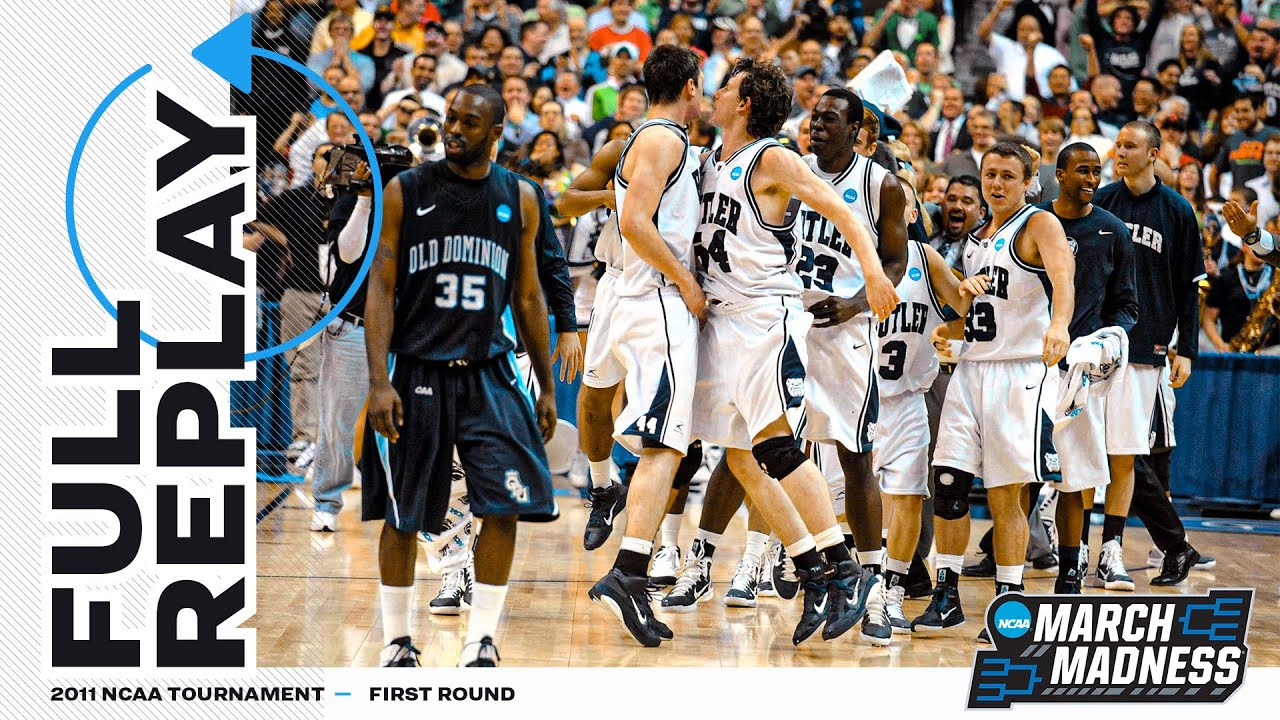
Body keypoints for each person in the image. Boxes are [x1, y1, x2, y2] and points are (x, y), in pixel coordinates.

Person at [692, 59, 898, 646]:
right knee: (738, 457)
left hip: (766, 319)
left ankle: (849, 569)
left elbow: (842, 212)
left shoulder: (774, 158)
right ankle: (813, 570)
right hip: (723, 323)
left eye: (725, 87)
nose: (716, 93)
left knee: (779, 449)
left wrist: (874, 285)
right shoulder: (712, 160)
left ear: (746, 103)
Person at [360, 84, 559, 667]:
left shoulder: (520, 198)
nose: (453, 130)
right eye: (450, 119)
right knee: (401, 514)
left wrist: (546, 384)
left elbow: (527, 295)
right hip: (417, 368)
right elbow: (380, 287)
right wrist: (379, 379)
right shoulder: (407, 190)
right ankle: (397, 642)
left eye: (469, 123)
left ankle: (482, 639)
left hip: (489, 373)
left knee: (503, 505)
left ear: (496, 132)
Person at [913, 141, 1074, 640]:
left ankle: (1010, 602)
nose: (997, 183)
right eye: (990, 175)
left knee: (1007, 495)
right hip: (970, 371)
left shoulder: (1038, 224)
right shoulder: (980, 237)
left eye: (1008, 175)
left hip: (1018, 374)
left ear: (1029, 181)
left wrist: (1061, 325)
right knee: (948, 487)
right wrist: (955, 319)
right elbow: (986, 314)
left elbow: (1065, 277)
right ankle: (947, 596)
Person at [585, 46, 706, 648]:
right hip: (657, 298)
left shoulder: (653, 138)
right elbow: (634, 221)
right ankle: (630, 568)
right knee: (667, 445)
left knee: (658, 439)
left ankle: (628, 558)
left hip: (630, 294)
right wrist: (685, 280)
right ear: (690, 85)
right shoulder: (661, 140)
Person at [790, 88, 908, 643]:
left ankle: (874, 582)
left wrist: (858, 303)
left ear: (858, 130)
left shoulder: (880, 184)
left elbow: (896, 261)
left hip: (847, 335)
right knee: (773, 450)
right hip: (789, 325)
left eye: (830, 119)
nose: (817, 126)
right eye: (814, 117)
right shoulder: (791, 171)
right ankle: (807, 567)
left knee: (855, 457)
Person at [1093, 121, 1207, 588]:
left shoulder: (1178, 211)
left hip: (1147, 346)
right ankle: (1106, 550)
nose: (1120, 151)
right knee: (1098, 452)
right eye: (1117, 144)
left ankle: (1172, 545)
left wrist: (1189, 350)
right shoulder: (1100, 201)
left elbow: (1190, 288)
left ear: (1154, 153)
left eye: (1131, 145)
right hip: (1097, 344)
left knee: (1128, 455)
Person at [1039, 142, 1139, 593]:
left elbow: (1127, 304)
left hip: (1081, 368)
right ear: (1059, 174)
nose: (1092, 179)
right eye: (1082, 170)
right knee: (1026, 477)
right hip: (1032, 365)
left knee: (1075, 478)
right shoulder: (1036, 223)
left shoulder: (1113, 230)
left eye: (1096, 171)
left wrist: (1109, 339)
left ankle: (1069, 571)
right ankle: (1012, 577)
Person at [875, 179, 963, 631]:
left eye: (902, 206)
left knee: (909, 497)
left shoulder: (926, 260)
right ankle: (856, 582)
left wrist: (958, 320)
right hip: (858, 398)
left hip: (908, 398)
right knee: (840, 502)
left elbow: (965, 308)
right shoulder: (856, 254)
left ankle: (889, 590)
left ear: (912, 215)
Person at [979, 0, 1074, 103]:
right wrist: (997, 9)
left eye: (1030, 29)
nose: (1026, 33)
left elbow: (1071, 85)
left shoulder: (1052, 54)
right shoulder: (1006, 47)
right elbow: (983, 34)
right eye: (1022, 29)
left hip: (1040, 107)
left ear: (1040, 33)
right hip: (1007, 105)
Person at [1211, 94, 1275, 197]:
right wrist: (1217, 197)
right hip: (1239, 204)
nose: (1240, 116)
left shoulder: (1274, 135)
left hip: (1268, 201)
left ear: (1257, 110)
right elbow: (1215, 171)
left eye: (1245, 110)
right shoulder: (1233, 138)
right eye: (1237, 111)